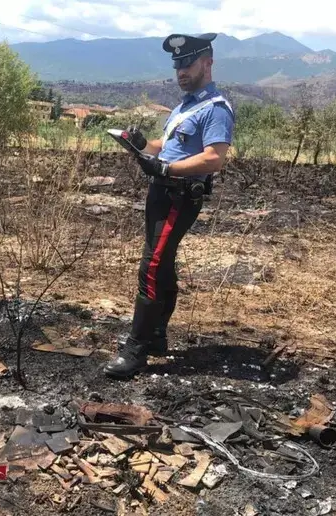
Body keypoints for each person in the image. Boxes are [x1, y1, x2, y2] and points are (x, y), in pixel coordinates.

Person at [104, 33, 235, 380]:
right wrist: (142, 144)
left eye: (187, 63)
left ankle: (136, 350)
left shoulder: (215, 108)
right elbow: (167, 146)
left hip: (179, 196)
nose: (180, 70)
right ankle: (157, 336)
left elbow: (214, 158)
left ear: (207, 63)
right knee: (161, 265)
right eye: (177, 64)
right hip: (160, 193)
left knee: (151, 266)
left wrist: (166, 169)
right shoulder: (184, 106)